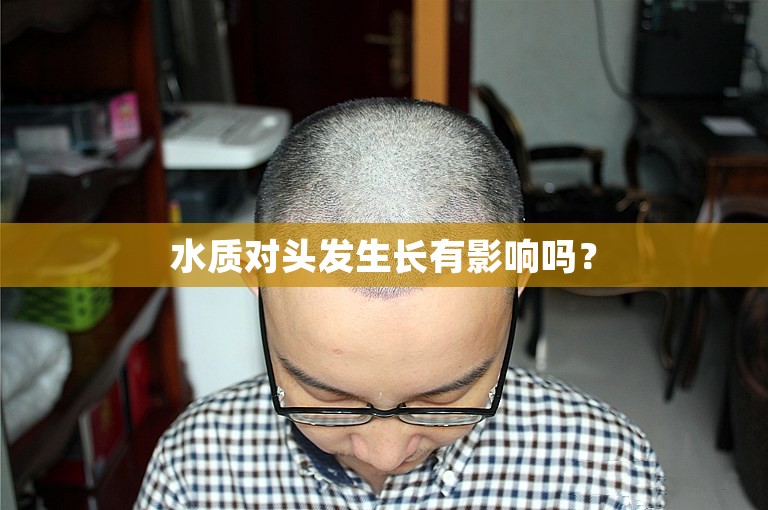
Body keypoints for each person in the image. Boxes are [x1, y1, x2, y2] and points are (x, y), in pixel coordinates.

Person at [136, 98, 666, 508]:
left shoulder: (604, 477)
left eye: (444, 400)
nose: (387, 455)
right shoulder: (197, 467)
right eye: (328, 399)